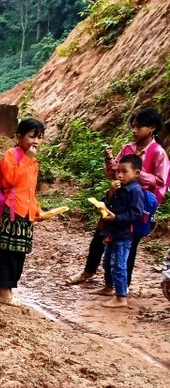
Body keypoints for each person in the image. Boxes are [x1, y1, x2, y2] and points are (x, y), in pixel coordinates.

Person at [68, 107, 169, 288]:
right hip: (117, 199)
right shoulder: (128, 148)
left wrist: (137, 175)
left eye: (139, 127)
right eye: (133, 126)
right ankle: (89, 272)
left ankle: (122, 286)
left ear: (152, 128)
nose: (134, 130)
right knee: (100, 235)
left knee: (128, 244)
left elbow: (161, 181)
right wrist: (110, 162)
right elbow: (114, 174)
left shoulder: (158, 152)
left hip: (137, 203)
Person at [0, 118, 46, 306]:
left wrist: (37, 209)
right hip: (13, 210)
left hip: (26, 212)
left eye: (39, 137)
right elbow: (13, 180)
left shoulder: (33, 161)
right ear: (19, 137)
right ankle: (3, 291)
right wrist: (27, 159)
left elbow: (30, 189)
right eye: (32, 137)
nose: (36, 142)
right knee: (9, 252)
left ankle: (8, 290)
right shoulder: (11, 156)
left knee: (20, 253)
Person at [91, 155, 146, 307]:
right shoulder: (117, 188)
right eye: (118, 172)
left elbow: (136, 213)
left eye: (124, 172)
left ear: (136, 173)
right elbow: (106, 202)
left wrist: (116, 217)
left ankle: (121, 297)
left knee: (119, 264)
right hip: (112, 232)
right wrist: (110, 192)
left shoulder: (135, 191)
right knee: (107, 262)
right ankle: (108, 287)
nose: (120, 175)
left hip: (124, 234)